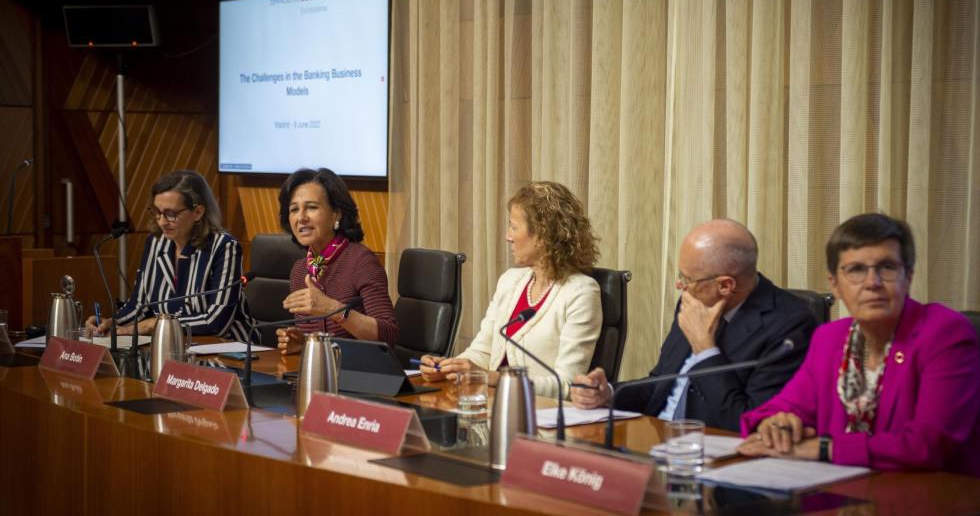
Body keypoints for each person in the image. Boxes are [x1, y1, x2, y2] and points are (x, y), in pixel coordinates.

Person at [737, 213, 980, 481]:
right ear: (835, 285)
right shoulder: (829, 339)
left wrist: (822, 448)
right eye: (855, 270)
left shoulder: (943, 332)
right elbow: (785, 407)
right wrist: (774, 425)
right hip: (851, 493)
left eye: (887, 267)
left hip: (950, 497)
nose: (872, 283)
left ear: (908, 276)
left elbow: (929, 445)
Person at [570, 219, 816, 431]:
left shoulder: (789, 326)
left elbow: (747, 422)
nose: (680, 286)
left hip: (717, 457)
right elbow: (661, 383)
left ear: (725, 286)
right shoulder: (694, 300)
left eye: (687, 279)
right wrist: (608, 394)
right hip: (656, 438)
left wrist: (705, 349)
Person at [418, 181, 602, 399]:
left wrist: (493, 378)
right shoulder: (510, 281)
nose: (508, 236)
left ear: (543, 236)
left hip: (539, 419)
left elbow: (567, 384)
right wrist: (450, 368)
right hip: (491, 409)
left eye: (514, 227)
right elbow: (482, 351)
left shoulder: (581, 292)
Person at [85, 170, 248, 339]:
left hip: (224, 349)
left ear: (198, 212)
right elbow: (139, 306)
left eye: (171, 214)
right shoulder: (155, 242)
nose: (162, 221)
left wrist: (155, 323)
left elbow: (217, 322)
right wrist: (111, 322)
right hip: (170, 344)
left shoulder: (224, 246)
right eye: (157, 212)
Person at [275, 168, 396, 353]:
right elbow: (326, 343)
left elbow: (389, 335)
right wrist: (303, 344)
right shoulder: (300, 270)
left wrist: (331, 308)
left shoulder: (361, 261)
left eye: (312, 207)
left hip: (361, 375)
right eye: (294, 210)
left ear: (336, 214)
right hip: (322, 374)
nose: (301, 217)